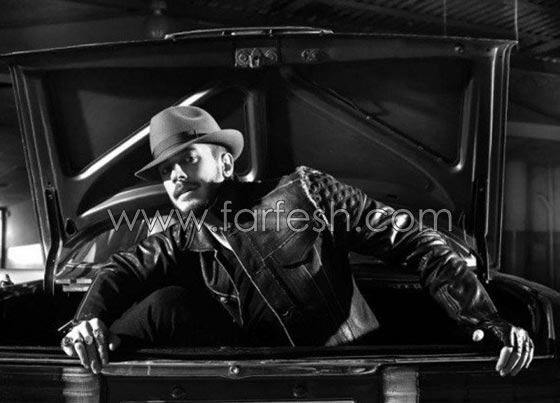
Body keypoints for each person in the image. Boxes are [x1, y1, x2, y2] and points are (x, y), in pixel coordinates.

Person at [61, 106, 534, 376]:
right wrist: (87, 320)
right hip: (255, 382)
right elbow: (124, 267)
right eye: (167, 170)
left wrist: (485, 320)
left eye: (188, 158)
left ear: (225, 163)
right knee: (164, 304)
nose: (176, 176)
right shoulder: (183, 234)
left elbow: (415, 241)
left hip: (348, 373)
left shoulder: (305, 192)